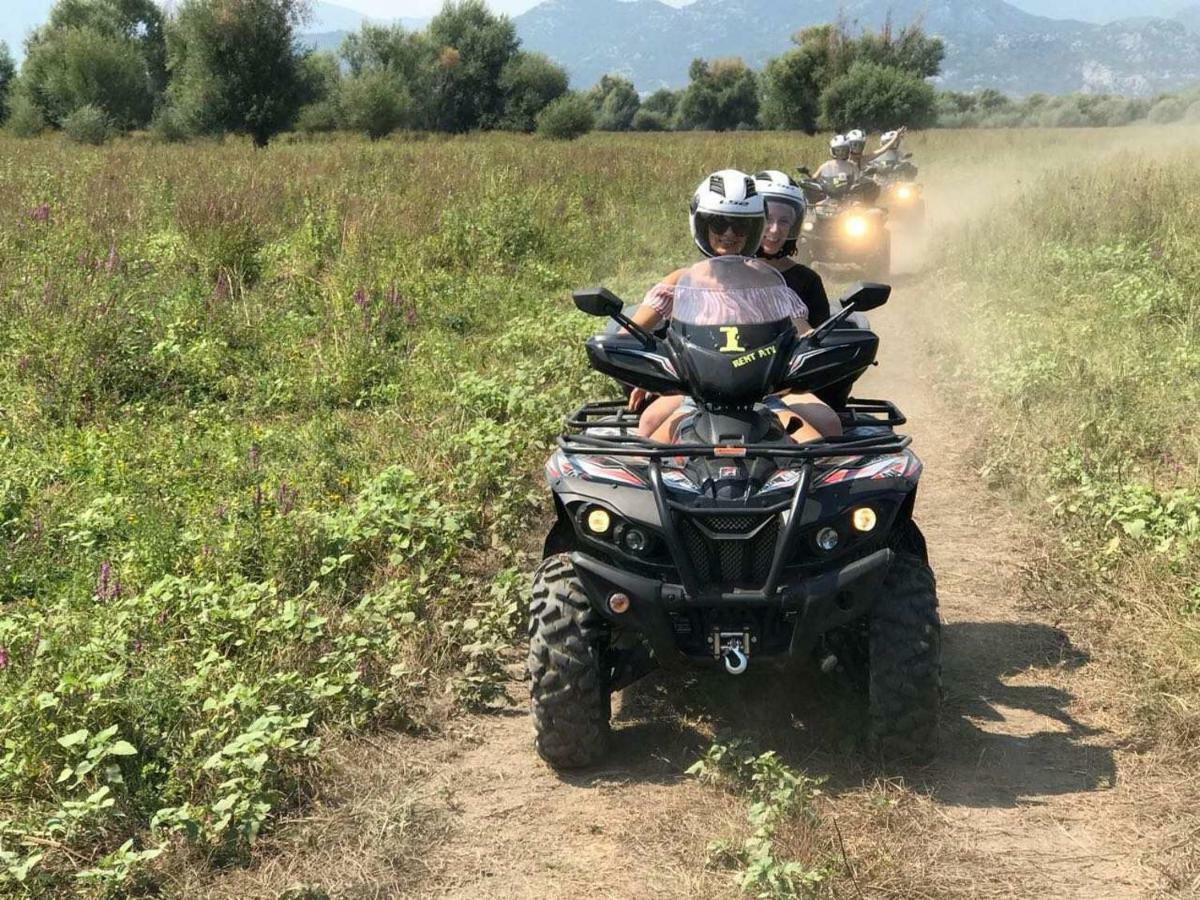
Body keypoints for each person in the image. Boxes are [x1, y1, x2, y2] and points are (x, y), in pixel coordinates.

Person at [627, 170, 838, 443]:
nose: (729, 233)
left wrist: (826, 348)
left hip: (765, 396)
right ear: (701, 224)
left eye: (740, 226)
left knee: (825, 433)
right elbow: (631, 332)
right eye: (718, 223)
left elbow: (804, 333)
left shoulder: (770, 284)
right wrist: (644, 373)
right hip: (695, 395)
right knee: (648, 430)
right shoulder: (681, 281)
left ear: (754, 229)